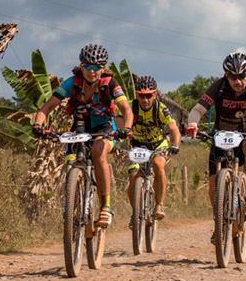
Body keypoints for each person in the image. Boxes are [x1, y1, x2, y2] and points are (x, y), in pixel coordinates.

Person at [32, 44, 133, 228]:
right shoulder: (72, 83)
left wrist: (125, 128)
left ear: (103, 68)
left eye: (96, 67)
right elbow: (47, 107)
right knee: (70, 160)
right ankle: (74, 199)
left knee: (97, 152)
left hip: (104, 128)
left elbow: (127, 109)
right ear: (81, 66)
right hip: (79, 128)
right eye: (87, 66)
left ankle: (106, 207)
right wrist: (38, 124)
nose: (92, 71)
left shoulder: (111, 84)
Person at [183, 52, 246, 241]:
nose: (238, 81)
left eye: (242, 76)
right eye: (233, 77)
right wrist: (193, 124)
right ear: (226, 75)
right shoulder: (218, 87)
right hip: (222, 136)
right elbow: (197, 110)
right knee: (213, 183)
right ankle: (219, 224)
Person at [126, 76, 181, 222]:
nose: (145, 100)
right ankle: (135, 212)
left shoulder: (160, 109)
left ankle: (159, 205)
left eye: (149, 95)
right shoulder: (131, 108)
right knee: (132, 176)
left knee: (158, 164)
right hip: (137, 145)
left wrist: (175, 145)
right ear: (136, 94)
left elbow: (174, 129)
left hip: (158, 144)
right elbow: (119, 125)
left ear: (155, 94)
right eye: (141, 95)